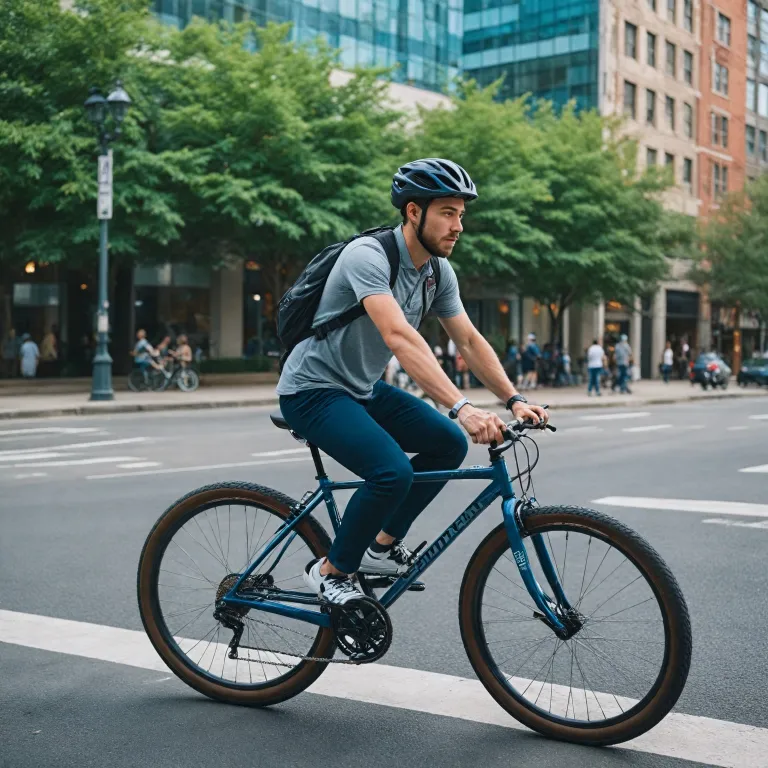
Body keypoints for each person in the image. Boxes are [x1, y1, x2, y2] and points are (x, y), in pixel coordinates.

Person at [276, 157, 548, 605]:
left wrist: (514, 399)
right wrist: (462, 407)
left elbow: (469, 340)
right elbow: (398, 335)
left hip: (361, 387)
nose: (458, 225)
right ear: (413, 212)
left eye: (461, 214)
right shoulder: (368, 256)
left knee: (447, 444)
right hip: (312, 389)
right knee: (391, 472)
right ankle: (330, 570)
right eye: (447, 212)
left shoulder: (437, 272)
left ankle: (379, 548)